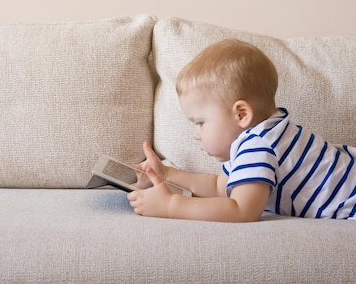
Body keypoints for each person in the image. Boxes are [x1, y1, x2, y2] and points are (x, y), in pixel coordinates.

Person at [127, 39, 356, 221]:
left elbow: (241, 210)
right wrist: (166, 174)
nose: (196, 133)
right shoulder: (264, 134)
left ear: (241, 115)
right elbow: (220, 187)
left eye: (200, 123)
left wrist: (170, 206)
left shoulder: (259, 145)